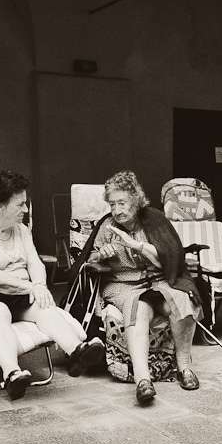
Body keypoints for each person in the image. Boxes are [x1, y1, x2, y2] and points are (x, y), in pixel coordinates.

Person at [0, 170, 105, 399]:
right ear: (1, 206)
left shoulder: (21, 230)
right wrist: (30, 288)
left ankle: (76, 352)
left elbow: (35, 262)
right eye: (20, 204)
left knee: (43, 306)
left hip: (16, 292)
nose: (25, 209)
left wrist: (40, 285)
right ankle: (11, 374)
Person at [87, 170, 203, 404]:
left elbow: (170, 258)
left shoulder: (155, 220)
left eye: (122, 203)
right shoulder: (107, 226)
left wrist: (136, 245)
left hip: (159, 281)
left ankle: (184, 368)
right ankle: (143, 380)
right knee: (137, 306)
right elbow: (90, 259)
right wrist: (101, 254)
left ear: (135, 200)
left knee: (182, 300)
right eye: (112, 204)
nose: (116, 210)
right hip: (123, 284)